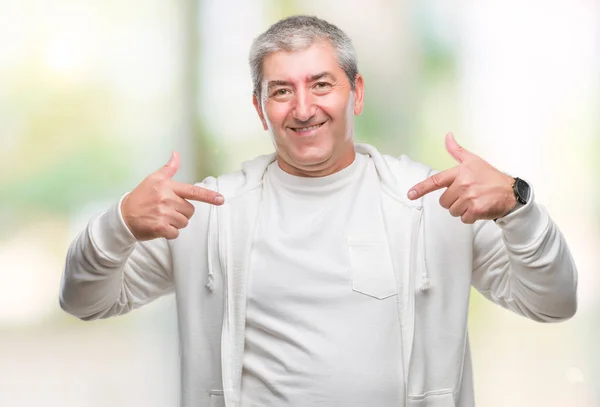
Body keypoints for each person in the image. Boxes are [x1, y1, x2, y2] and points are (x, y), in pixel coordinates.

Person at [59, 15, 578, 407]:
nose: (303, 109)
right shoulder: (210, 214)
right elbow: (85, 302)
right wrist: (119, 222)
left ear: (356, 93)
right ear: (261, 108)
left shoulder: (432, 206)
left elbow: (553, 303)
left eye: (321, 84)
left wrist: (518, 204)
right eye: (282, 91)